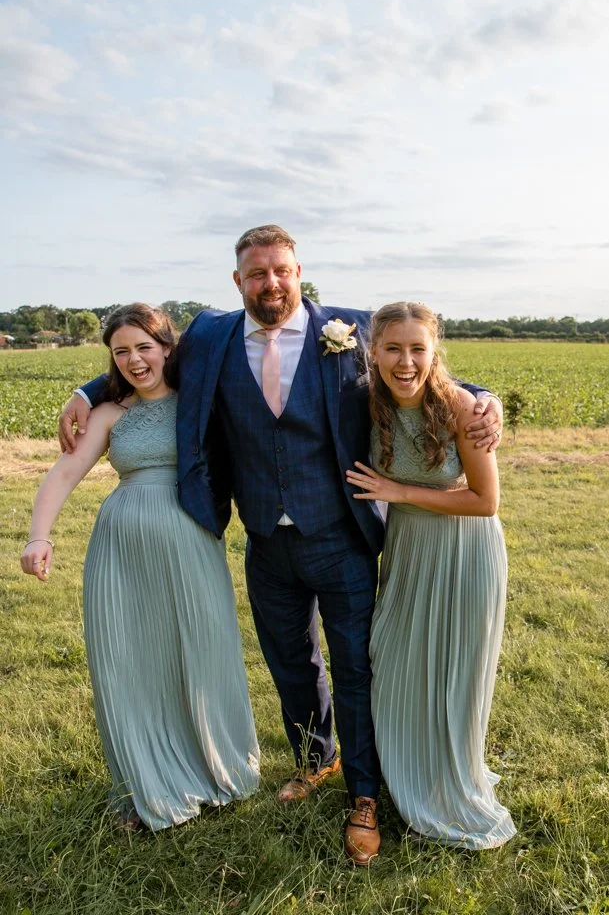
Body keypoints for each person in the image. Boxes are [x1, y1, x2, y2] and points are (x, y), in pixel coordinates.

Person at [58, 227, 503, 863]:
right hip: (263, 537)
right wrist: (86, 391)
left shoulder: (350, 330)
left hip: (341, 535)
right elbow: (143, 362)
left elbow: (421, 365)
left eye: (282, 271)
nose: (271, 283)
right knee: (291, 662)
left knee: (354, 667)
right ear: (237, 281)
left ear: (300, 273)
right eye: (257, 273)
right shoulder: (210, 336)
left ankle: (364, 795)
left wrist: (486, 401)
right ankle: (314, 758)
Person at [22, 303, 259, 831]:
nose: (134, 360)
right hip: (121, 548)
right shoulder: (111, 413)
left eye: (143, 347)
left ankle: (215, 764)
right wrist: (39, 536)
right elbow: (63, 475)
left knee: (204, 646)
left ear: (168, 348)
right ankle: (146, 775)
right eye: (120, 352)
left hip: (191, 541)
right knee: (132, 659)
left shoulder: (199, 402)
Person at [346, 301, 516, 849]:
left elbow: (486, 501)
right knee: (393, 659)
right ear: (372, 351)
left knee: (453, 673)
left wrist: (399, 493)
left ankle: (448, 784)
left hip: (464, 551)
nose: (405, 361)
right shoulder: (366, 403)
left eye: (418, 348)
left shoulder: (463, 407)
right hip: (407, 552)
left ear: (434, 352)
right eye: (393, 348)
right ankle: (405, 775)